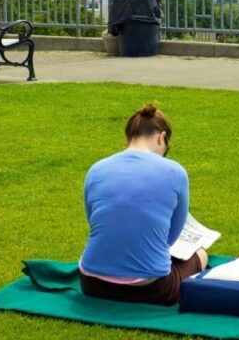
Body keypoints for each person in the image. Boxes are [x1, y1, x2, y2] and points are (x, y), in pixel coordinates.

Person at [79, 103, 208, 305]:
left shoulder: (96, 170)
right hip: (151, 288)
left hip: (91, 283)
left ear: (127, 138)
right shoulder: (175, 172)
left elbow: (93, 219)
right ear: (160, 137)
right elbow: (171, 238)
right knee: (200, 254)